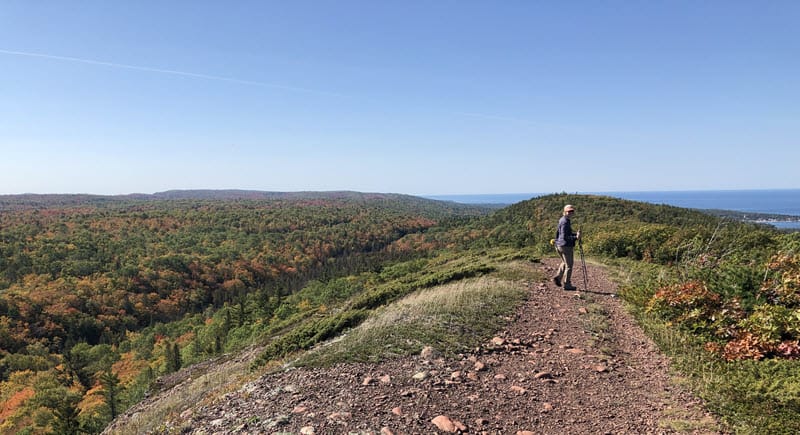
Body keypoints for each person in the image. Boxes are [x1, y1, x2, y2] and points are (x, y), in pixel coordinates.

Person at [553, 204, 581, 290]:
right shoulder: (565, 222)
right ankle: (567, 284)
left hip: (559, 245)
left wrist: (574, 235)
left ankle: (558, 278)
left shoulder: (562, 220)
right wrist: (576, 237)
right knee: (569, 266)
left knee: (564, 262)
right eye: (569, 211)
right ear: (564, 212)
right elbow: (565, 236)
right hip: (565, 246)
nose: (571, 213)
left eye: (572, 211)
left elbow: (559, 233)